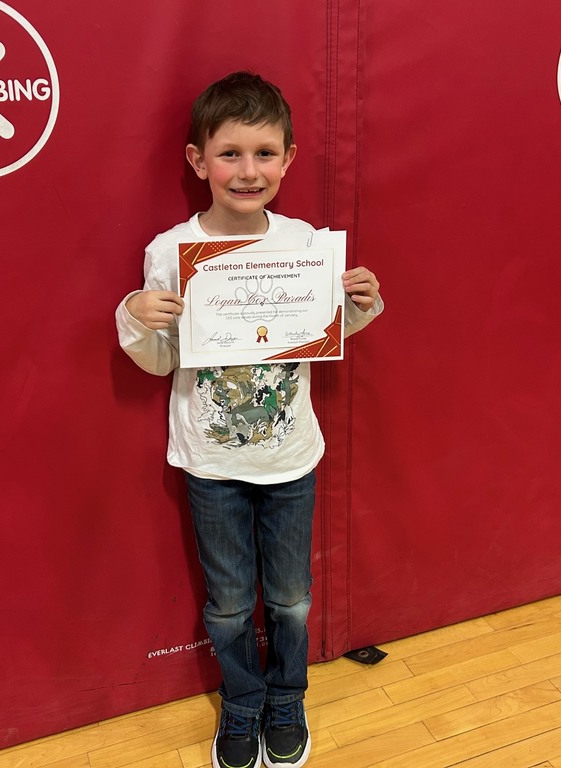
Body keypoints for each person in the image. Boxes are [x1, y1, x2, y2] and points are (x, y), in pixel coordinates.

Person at [115, 71, 384, 768]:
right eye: (229, 153)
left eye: (265, 153)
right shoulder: (169, 252)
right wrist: (137, 318)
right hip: (211, 462)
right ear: (197, 160)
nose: (248, 170)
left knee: (291, 598)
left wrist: (357, 305)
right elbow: (155, 362)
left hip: (291, 457)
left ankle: (286, 700)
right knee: (231, 604)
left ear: (289, 159)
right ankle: (241, 705)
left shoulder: (305, 245)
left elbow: (326, 339)